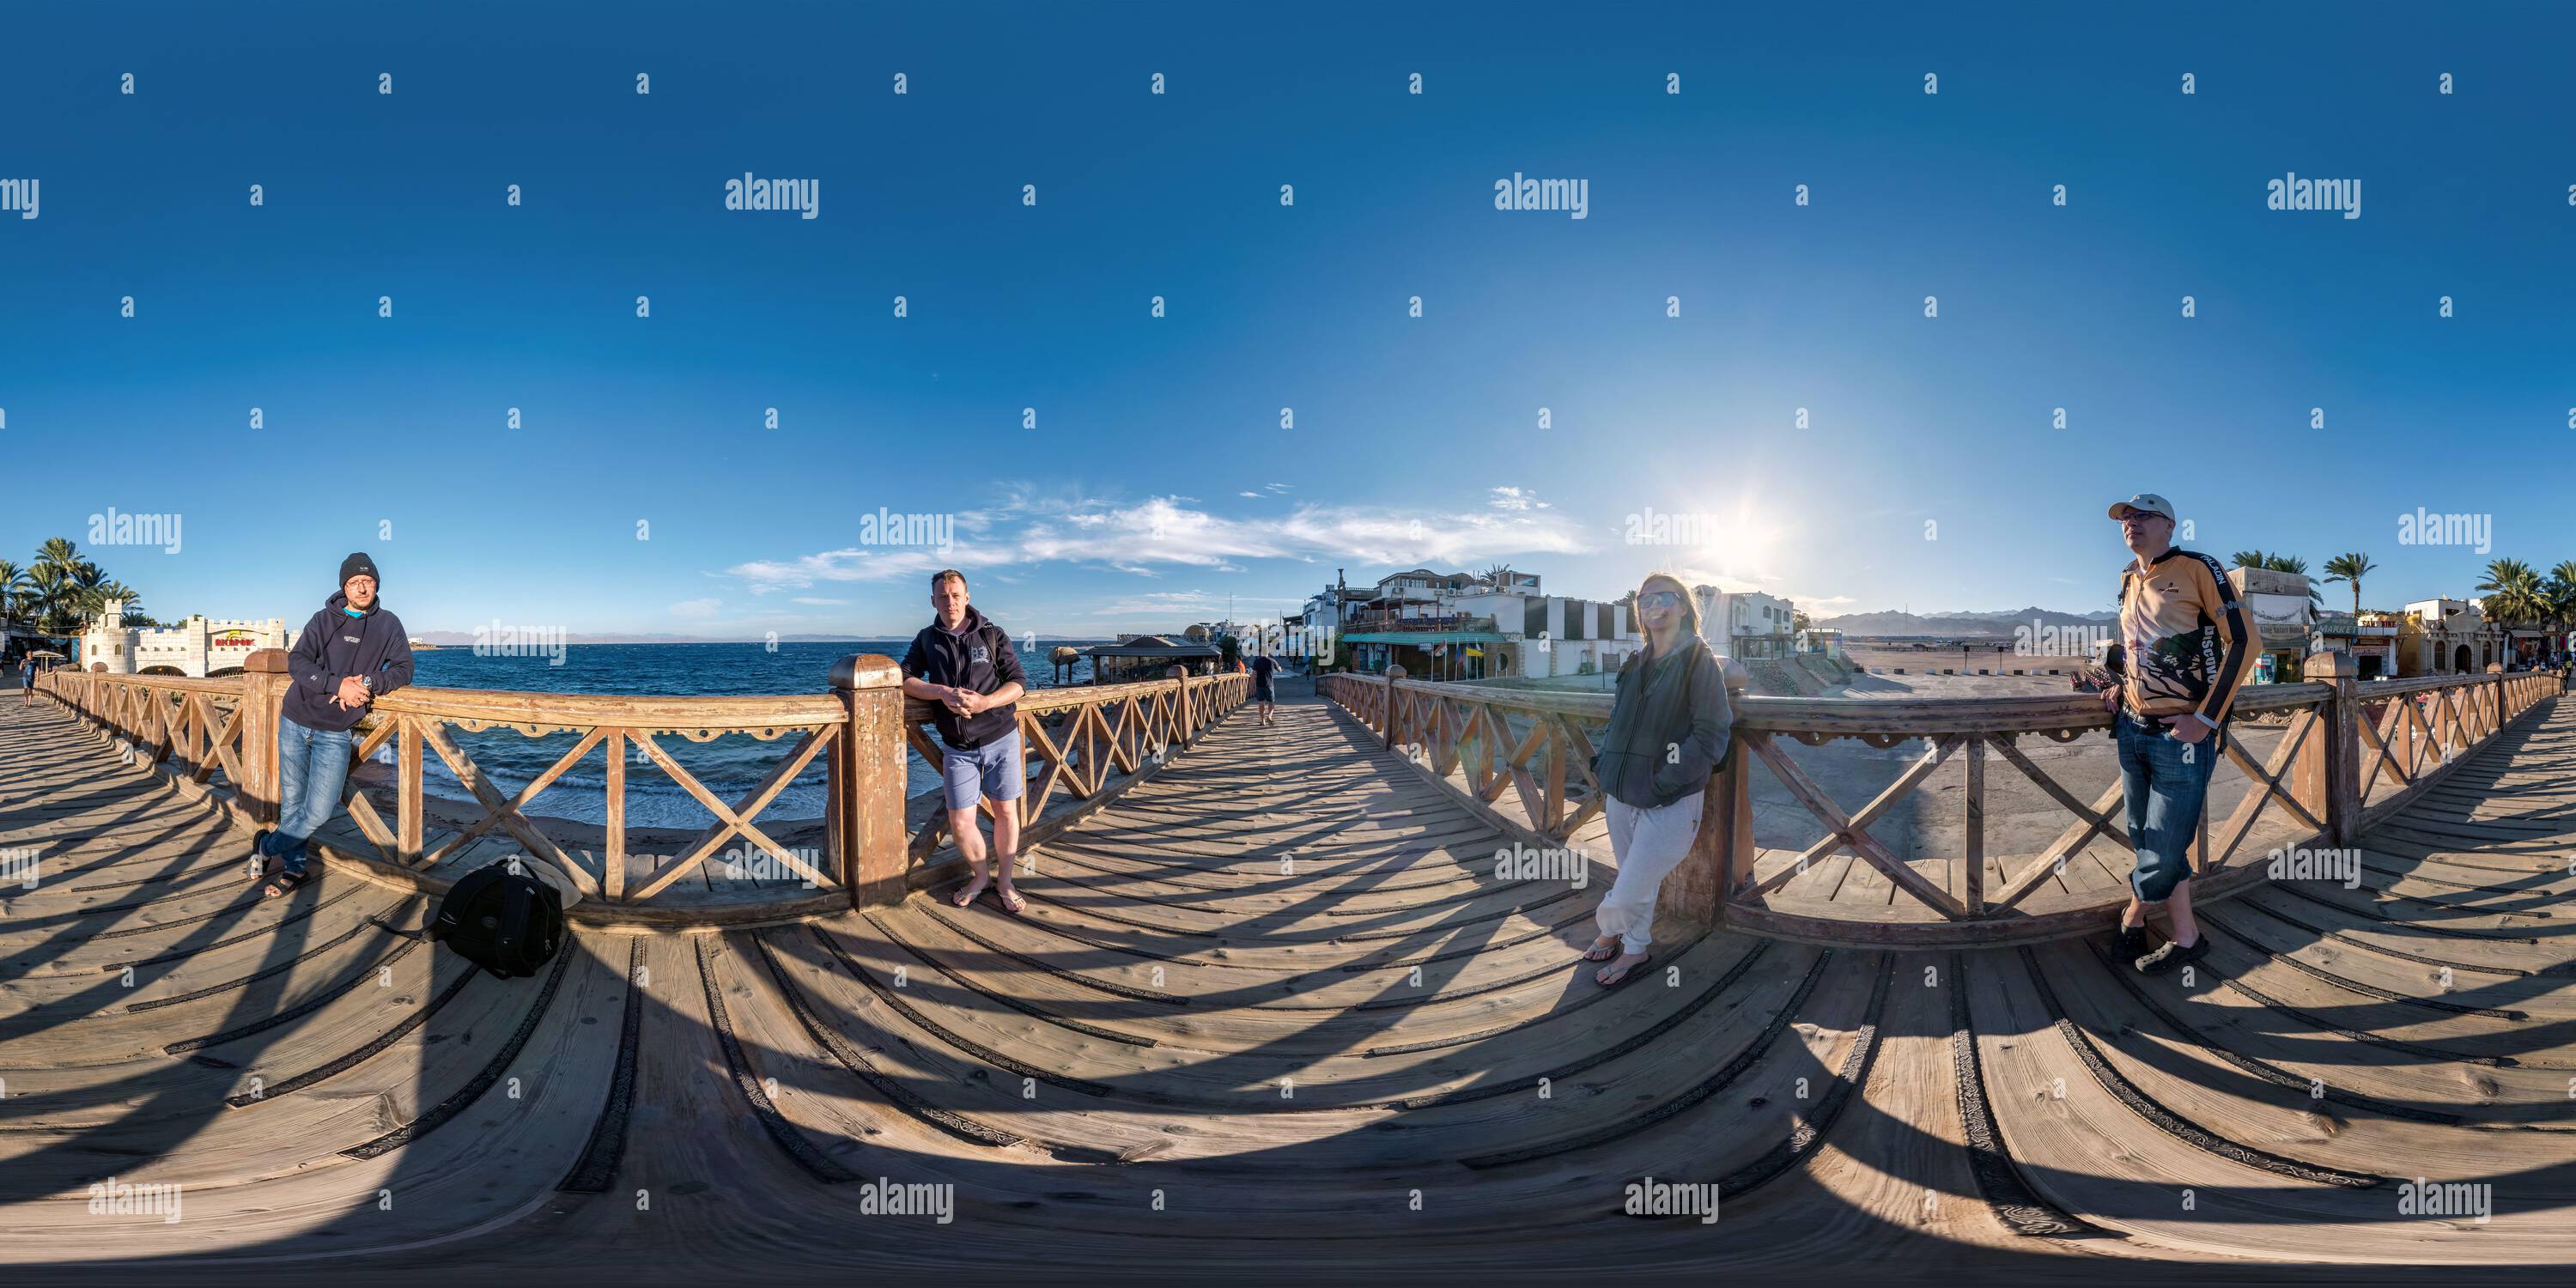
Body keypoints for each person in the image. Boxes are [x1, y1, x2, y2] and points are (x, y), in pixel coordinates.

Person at [2100, 495, 2256, 974]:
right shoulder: (2128, 578)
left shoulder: (2198, 568)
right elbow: (2135, 646)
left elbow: (2246, 641)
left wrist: (2206, 719)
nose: (2131, 523)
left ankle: (2132, 917)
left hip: (2182, 734)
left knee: (2164, 847)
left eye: (2142, 515)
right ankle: (2187, 936)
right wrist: (2115, 685)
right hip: (2131, 727)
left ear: (2169, 524)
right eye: (2126, 518)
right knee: (2146, 837)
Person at [1583, 572, 1733, 986]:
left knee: (1629, 887)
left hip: (1670, 798)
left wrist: (1665, 781)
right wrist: (1603, 766)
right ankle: (1635, 949)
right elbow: (1618, 720)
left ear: (1683, 606)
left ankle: (1608, 928)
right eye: (1644, 599)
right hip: (1620, 792)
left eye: (1664, 597)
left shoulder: (1697, 660)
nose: (1652, 604)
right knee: (1638, 878)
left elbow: (1712, 733)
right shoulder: (1635, 663)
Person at [254, 553, 414, 897]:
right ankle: (295, 869)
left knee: (320, 810)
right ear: (343, 586)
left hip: (336, 728)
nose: (361, 587)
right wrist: (337, 684)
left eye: (368, 582)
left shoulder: (388, 624)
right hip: (296, 718)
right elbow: (297, 662)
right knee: (293, 802)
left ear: (376, 587)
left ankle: (266, 847)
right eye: (354, 582)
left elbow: (404, 669)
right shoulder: (322, 619)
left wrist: (367, 683)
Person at [901, 569, 1030, 914]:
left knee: (1005, 811)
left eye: (956, 595)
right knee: (960, 821)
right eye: (943, 596)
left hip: (1001, 736)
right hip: (957, 747)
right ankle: (980, 876)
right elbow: (905, 678)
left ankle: (1004, 880)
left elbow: (1018, 682)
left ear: (967, 597)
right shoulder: (927, 638)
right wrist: (941, 692)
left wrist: (986, 702)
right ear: (933, 601)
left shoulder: (992, 634)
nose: (950, 601)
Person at [1248, 649, 1281, 726]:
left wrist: (1251, 686)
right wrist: (1279, 668)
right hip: (1269, 685)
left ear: (1260, 653)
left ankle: (1263, 721)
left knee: (1261, 703)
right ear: (1268, 653)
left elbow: (1253, 675)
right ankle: (1269, 716)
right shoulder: (1272, 661)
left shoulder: (1257, 662)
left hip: (1259, 685)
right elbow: (1279, 670)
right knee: (1271, 702)